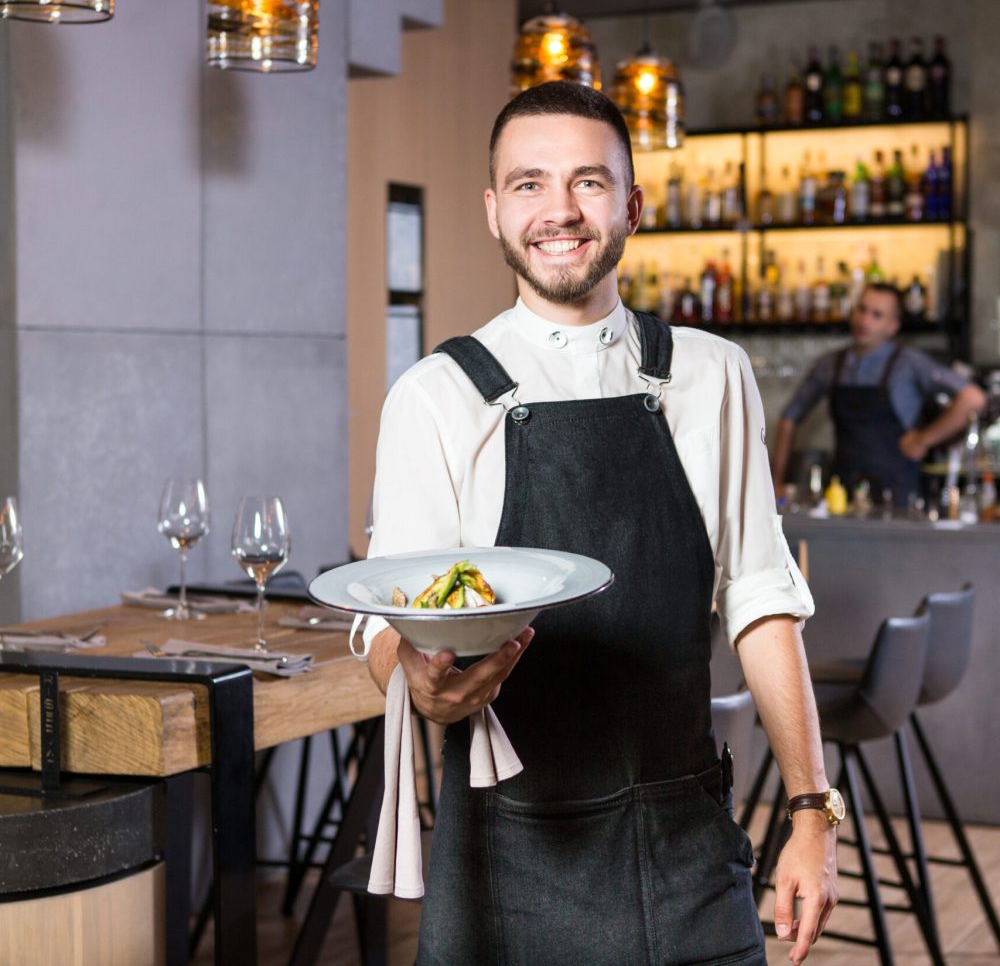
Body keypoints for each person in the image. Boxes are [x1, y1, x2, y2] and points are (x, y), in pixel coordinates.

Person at [363, 81, 837, 966]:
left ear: (632, 205)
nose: (561, 210)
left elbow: (763, 600)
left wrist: (812, 809)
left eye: (588, 182)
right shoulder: (437, 395)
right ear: (494, 211)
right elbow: (388, 613)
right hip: (509, 850)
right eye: (531, 184)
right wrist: (419, 682)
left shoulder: (711, 374)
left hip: (685, 833)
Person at [772, 282, 986, 505]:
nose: (865, 321)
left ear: (892, 326)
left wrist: (924, 440)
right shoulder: (829, 365)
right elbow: (789, 418)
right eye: (862, 310)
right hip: (843, 492)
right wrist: (775, 479)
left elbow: (973, 398)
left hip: (899, 494)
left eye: (877, 315)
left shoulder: (910, 363)